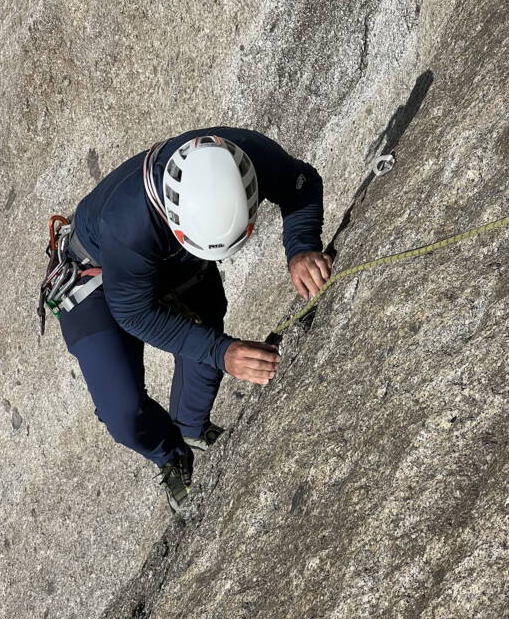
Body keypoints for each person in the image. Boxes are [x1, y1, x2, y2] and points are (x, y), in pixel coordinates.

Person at [58, 127, 332, 512]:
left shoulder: (245, 155)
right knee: (122, 412)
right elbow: (133, 312)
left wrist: (301, 247)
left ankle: (191, 428)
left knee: (205, 330)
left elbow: (299, 184)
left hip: (175, 255)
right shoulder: (129, 223)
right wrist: (222, 352)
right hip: (94, 273)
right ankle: (170, 454)